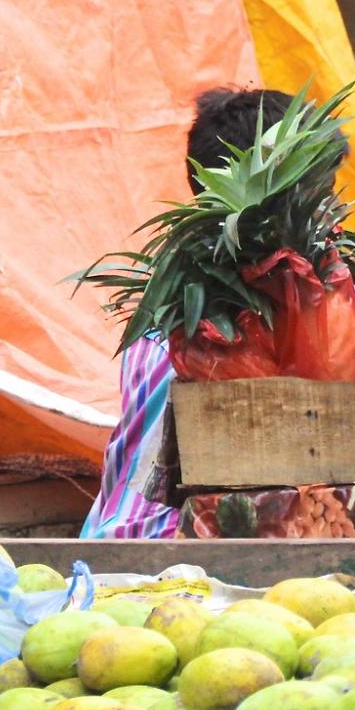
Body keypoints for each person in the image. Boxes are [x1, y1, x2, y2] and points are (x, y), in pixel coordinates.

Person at [83, 88, 292, 541]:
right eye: (325, 187)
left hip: (110, 539)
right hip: (179, 557)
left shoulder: (161, 306)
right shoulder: (296, 309)